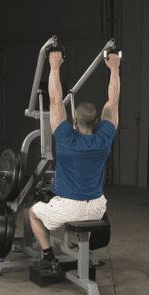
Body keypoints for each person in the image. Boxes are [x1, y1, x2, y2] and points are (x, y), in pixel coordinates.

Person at [29, 50, 120, 272]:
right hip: (98, 207)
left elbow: (54, 100)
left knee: (33, 213)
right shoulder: (104, 137)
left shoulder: (65, 137)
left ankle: (48, 257)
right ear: (97, 121)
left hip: (70, 208)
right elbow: (113, 101)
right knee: (113, 104)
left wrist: (55, 65)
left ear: (74, 121)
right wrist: (114, 68)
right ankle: (79, 250)